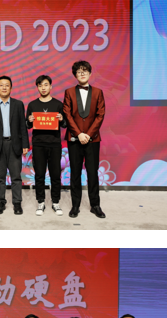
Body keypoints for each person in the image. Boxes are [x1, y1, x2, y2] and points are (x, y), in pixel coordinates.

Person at [63, 60, 106, 219]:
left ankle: (95, 205)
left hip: (92, 139)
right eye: (79, 71)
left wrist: (88, 134)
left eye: (85, 71)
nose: (82, 74)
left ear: (90, 73)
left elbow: (100, 114)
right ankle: (75, 205)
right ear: (75, 75)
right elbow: (67, 114)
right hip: (74, 139)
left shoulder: (98, 92)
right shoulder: (68, 92)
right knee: (75, 172)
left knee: (92, 173)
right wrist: (78, 134)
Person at [0, 76, 29, 215]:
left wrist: (25, 144)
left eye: (7, 85)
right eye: (1, 85)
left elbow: (22, 126)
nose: (4, 87)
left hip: (14, 144)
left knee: (16, 176)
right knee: (0, 177)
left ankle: (17, 203)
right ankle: (1, 202)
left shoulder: (18, 104)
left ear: (11, 88)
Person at [26, 75, 68, 216]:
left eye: (45, 85)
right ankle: (41, 202)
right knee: (39, 174)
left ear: (51, 86)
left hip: (54, 144)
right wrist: (29, 120)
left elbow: (65, 124)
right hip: (38, 144)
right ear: (37, 87)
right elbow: (27, 125)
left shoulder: (58, 104)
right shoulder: (32, 105)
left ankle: (55, 202)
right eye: (40, 85)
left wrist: (61, 119)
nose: (43, 88)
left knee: (55, 175)